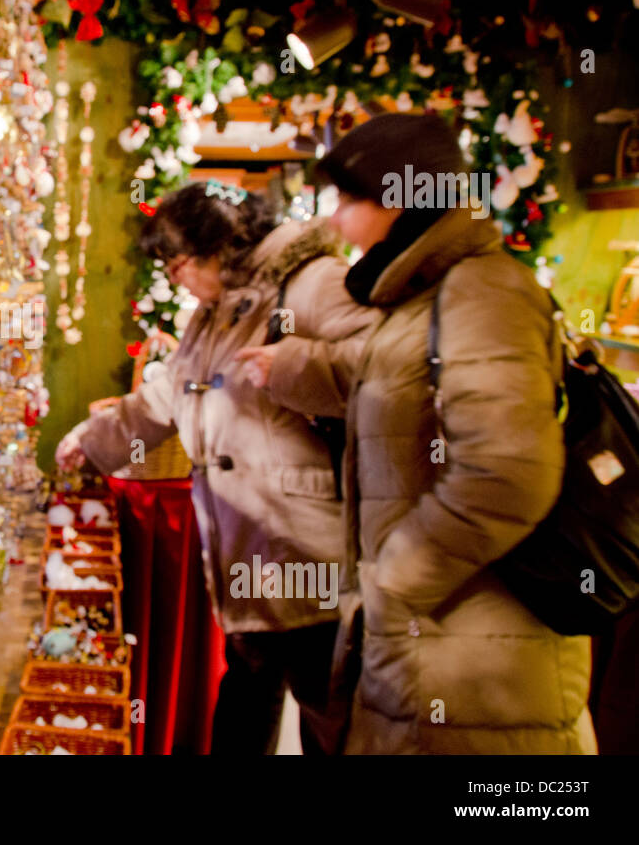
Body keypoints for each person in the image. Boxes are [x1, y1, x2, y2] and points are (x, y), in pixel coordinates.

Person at [238, 113, 595, 754]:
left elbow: (507, 476)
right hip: (434, 654)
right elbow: (386, 381)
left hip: (475, 672)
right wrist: (289, 365)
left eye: (352, 199)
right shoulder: (422, 298)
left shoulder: (482, 292)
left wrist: (396, 582)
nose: (337, 220)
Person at [55, 180, 375, 754]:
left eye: (177, 266)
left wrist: (294, 365)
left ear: (215, 246)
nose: (176, 280)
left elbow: (379, 370)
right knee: (248, 699)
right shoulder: (214, 310)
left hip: (306, 546)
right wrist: (92, 439)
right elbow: (166, 397)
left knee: (329, 717)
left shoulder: (310, 282)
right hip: (247, 548)